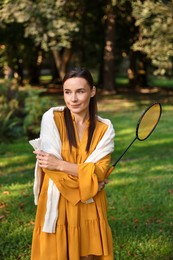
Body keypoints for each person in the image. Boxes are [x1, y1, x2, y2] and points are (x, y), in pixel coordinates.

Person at [30, 67, 115, 260]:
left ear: (92, 92)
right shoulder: (51, 118)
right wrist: (90, 181)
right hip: (58, 201)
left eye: (80, 91)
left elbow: (100, 172)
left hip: (90, 205)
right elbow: (48, 167)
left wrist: (60, 164)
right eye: (67, 92)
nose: (73, 99)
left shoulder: (105, 129)